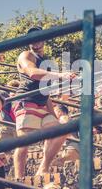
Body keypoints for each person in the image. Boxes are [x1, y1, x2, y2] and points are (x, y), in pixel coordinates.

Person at [14, 26, 77, 179]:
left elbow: (46, 93)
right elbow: (32, 73)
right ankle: (18, 180)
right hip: (26, 101)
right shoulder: (26, 55)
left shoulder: (46, 61)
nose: (35, 41)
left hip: (43, 105)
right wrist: (61, 75)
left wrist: (52, 113)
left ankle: (43, 169)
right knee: (23, 143)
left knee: (62, 129)